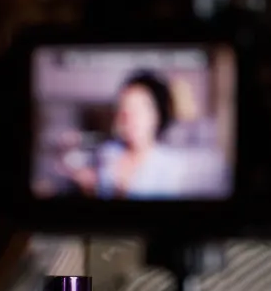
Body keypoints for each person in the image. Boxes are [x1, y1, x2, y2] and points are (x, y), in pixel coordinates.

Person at [67, 70, 194, 198]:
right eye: (125, 108)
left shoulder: (171, 166)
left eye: (138, 108)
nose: (129, 117)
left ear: (157, 114)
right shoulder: (108, 152)